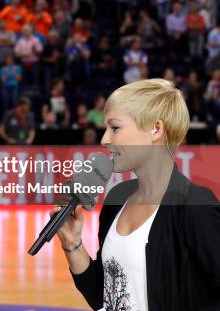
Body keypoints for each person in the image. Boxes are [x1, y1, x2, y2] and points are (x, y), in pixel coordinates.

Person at [52, 79, 220, 310]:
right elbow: (104, 296)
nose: (104, 140)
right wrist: (73, 245)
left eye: (115, 128)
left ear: (156, 129)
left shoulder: (193, 204)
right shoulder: (117, 198)